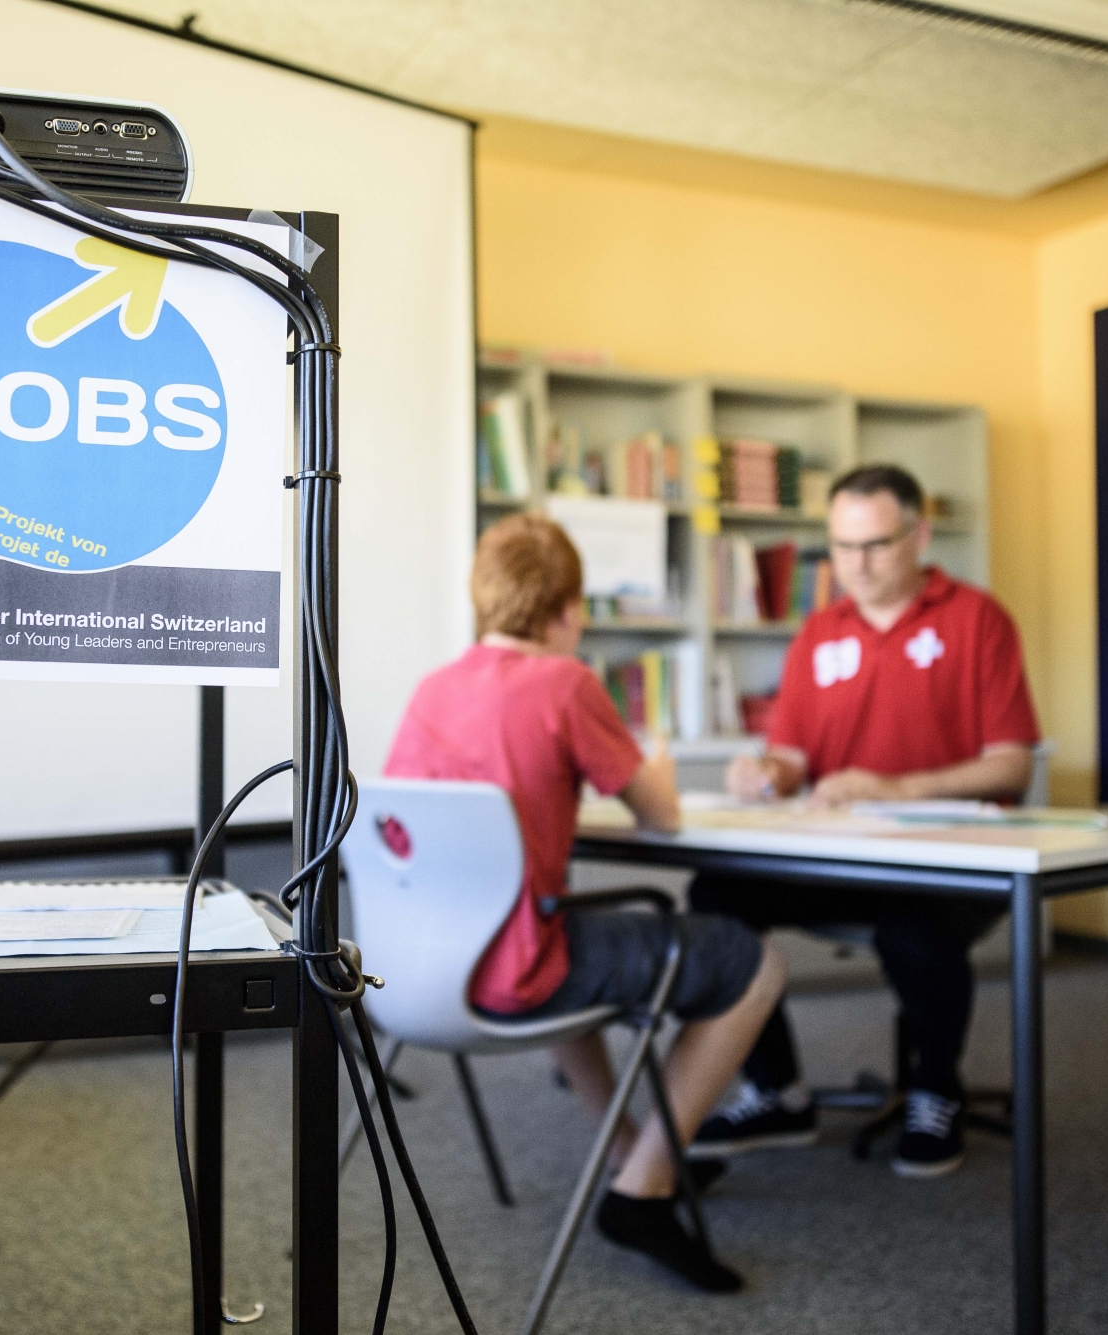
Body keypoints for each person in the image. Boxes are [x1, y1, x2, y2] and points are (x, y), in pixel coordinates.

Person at [385, 512, 788, 1293]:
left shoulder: (433, 689)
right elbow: (661, 814)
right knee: (754, 961)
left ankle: (628, 1149)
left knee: (563, 931)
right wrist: (658, 763)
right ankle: (644, 1185)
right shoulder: (567, 682)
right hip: (516, 971)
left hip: (419, 971)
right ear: (569, 608)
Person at [689, 464, 1039, 1179]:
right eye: (843, 547)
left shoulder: (977, 618)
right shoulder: (819, 630)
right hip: (841, 855)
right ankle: (777, 1090)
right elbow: (791, 753)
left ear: (919, 534)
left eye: (876, 544)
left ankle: (936, 1089)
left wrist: (894, 785)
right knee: (714, 899)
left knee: (914, 927)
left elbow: (1011, 766)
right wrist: (767, 773)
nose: (858, 564)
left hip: (951, 862)